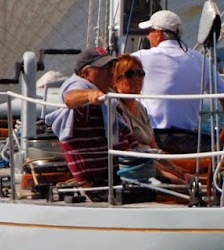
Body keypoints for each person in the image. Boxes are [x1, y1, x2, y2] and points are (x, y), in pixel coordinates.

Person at [45, 46, 151, 188]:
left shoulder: (112, 105)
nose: (111, 71)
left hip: (122, 179)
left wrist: (175, 173)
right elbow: (69, 98)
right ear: (86, 74)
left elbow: (132, 146)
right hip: (101, 187)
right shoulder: (83, 103)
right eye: (104, 67)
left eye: (110, 66)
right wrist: (90, 95)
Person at [132, 9, 224, 153]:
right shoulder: (200, 60)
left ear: (159, 33)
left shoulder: (140, 58)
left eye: (149, 31)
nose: (148, 36)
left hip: (154, 139)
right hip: (190, 141)